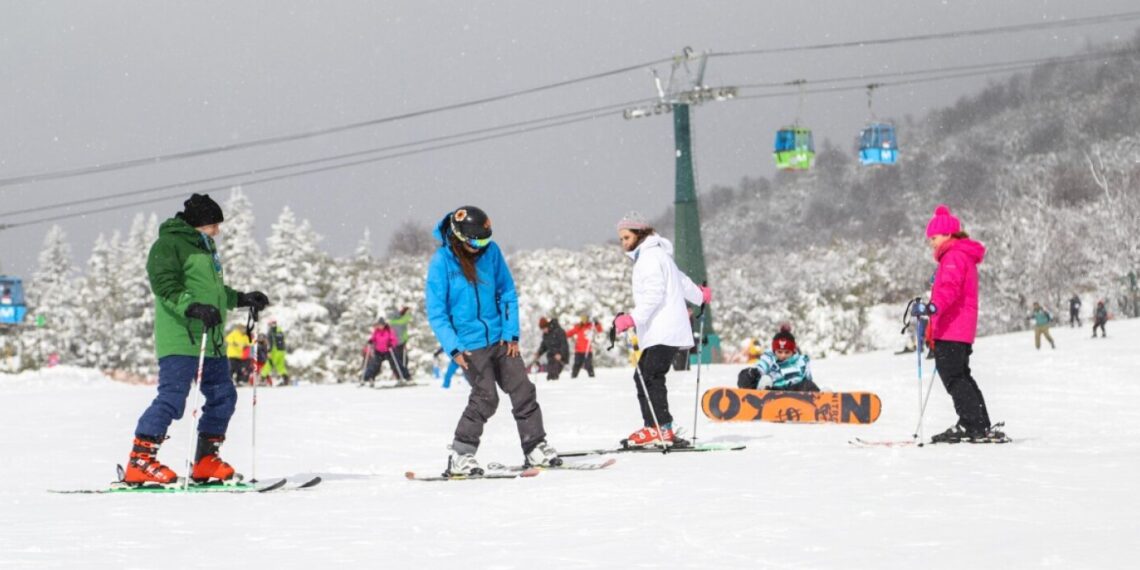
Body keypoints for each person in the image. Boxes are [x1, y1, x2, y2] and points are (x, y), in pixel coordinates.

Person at [123, 193, 270, 485]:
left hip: (210, 338)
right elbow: (164, 284)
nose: (217, 230)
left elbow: (213, 292)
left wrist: (240, 298)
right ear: (198, 223)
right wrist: (190, 306)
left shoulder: (206, 247)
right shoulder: (168, 245)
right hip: (181, 337)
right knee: (173, 398)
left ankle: (206, 460)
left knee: (224, 396)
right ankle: (140, 460)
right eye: (214, 224)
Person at [425, 205, 561, 475]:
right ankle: (461, 455)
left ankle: (535, 447)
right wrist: (453, 348)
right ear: (460, 236)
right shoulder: (442, 262)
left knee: (522, 389)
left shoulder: (491, 253)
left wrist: (511, 333)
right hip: (469, 345)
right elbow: (437, 313)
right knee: (486, 398)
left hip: (500, 339)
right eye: (477, 242)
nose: (482, 247)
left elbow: (507, 292)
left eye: (486, 240)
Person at [613, 212, 711, 447]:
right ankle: (658, 427)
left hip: (662, 330)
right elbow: (682, 281)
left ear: (639, 234)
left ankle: (659, 428)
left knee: (649, 377)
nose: (623, 243)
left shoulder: (649, 258)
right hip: (666, 331)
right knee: (645, 376)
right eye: (621, 239)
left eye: (626, 237)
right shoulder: (659, 256)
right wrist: (700, 296)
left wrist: (632, 319)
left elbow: (654, 294)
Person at [917, 204, 1006, 444]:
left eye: (934, 238)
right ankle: (976, 423)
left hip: (953, 327)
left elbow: (949, 289)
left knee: (953, 376)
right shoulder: (958, 255)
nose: (932, 243)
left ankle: (973, 424)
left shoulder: (954, 256)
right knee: (961, 375)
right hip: (958, 328)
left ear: (948, 235)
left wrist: (933, 307)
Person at [737, 330, 820, 392]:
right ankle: (761, 394)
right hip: (773, 390)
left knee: (808, 385)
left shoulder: (801, 361)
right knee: (746, 375)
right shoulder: (769, 358)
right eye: (779, 352)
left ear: (793, 351)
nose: (783, 355)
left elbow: (808, 379)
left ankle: (824, 399)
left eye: (787, 352)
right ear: (774, 351)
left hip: (793, 393)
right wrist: (754, 373)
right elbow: (761, 367)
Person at [362, 318, 399, 386]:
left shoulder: (389, 331)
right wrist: (371, 341)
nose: (380, 326)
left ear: (384, 325)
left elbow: (394, 340)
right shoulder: (376, 331)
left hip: (388, 351)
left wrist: (391, 344)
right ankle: (370, 378)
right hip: (378, 351)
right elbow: (373, 338)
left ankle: (400, 378)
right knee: (375, 365)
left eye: (381, 325)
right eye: (378, 325)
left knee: (394, 364)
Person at [261, 319, 290, 386]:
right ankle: (285, 379)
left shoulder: (270, 331)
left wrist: (268, 352)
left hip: (274, 351)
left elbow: (270, 343)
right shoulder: (280, 331)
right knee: (280, 366)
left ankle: (262, 379)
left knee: (269, 363)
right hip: (282, 351)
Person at [387, 306, 413, 380]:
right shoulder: (396, 322)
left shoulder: (396, 321)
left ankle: (402, 376)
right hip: (397, 343)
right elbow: (405, 320)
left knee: (402, 360)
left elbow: (404, 319)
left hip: (400, 342)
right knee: (399, 361)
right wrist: (407, 313)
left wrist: (405, 312)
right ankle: (403, 376)